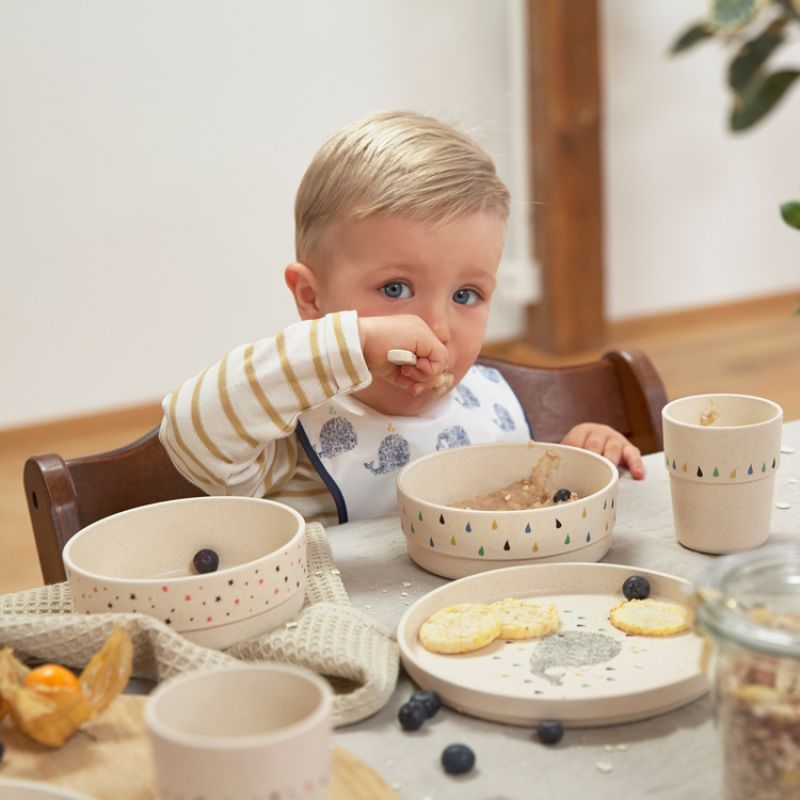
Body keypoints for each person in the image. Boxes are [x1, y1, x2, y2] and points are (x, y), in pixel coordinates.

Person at [159, 110, 643, 526]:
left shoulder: (491, 407)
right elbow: (188, 428)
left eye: (466, 294)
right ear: (311, 297)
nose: (436, 328)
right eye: (395, 289)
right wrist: (351, 345)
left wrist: (583, 460)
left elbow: (532, 512)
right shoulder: (285, 436)